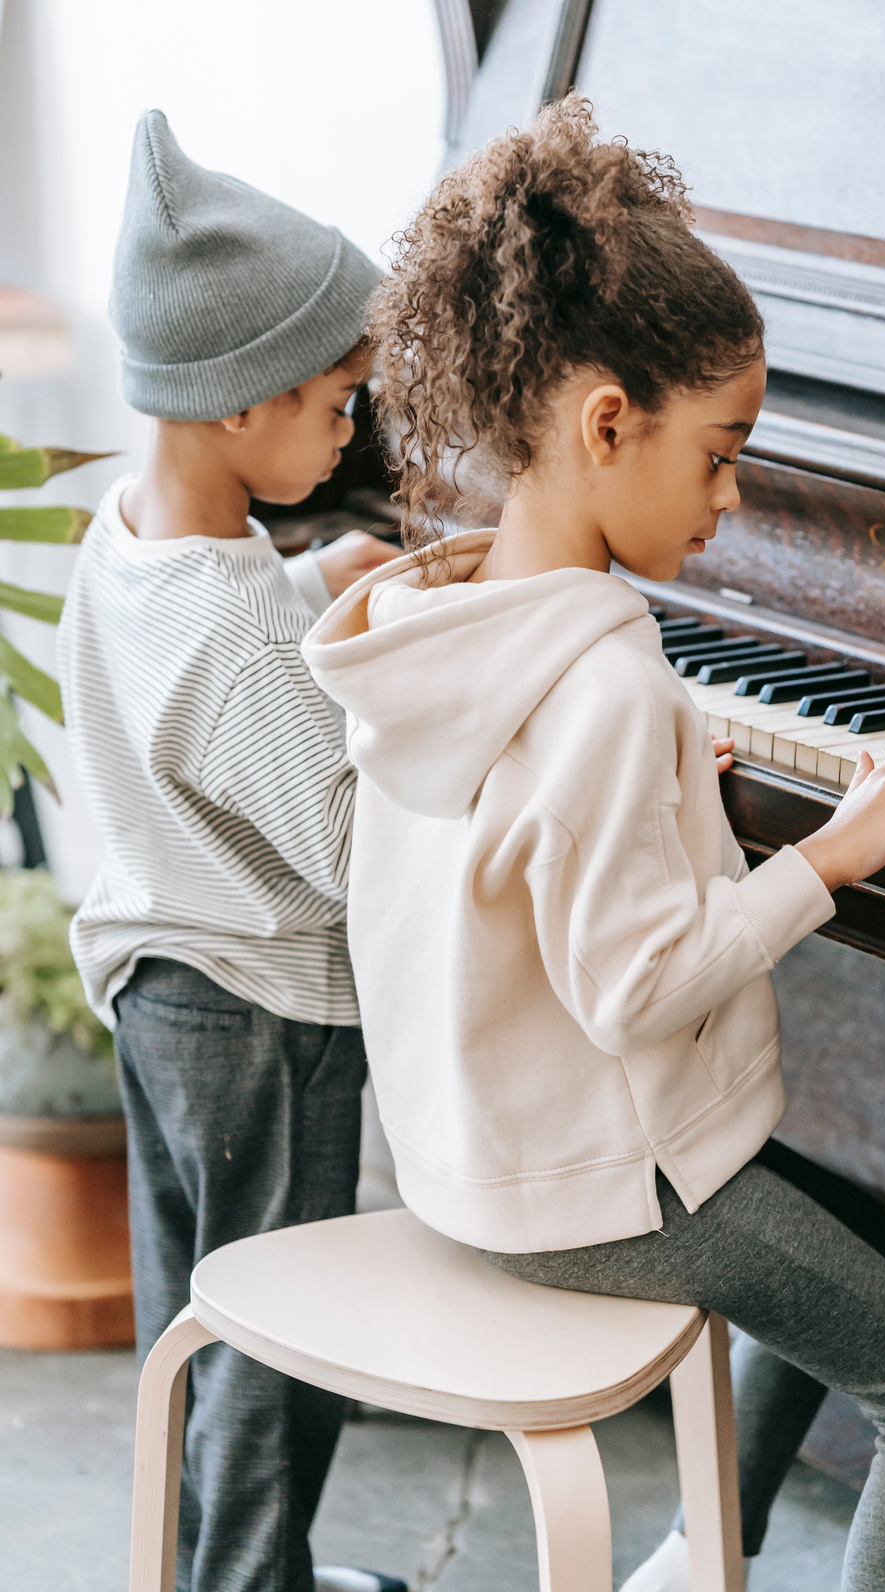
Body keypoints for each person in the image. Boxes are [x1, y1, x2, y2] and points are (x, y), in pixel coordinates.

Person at [303, 95, 885, 1592]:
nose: (735, 496)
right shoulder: (611, 680)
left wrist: (669, 793)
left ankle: (708, 1556)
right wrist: (824, 857)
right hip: (594, 1190)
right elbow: (631, 991)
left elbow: (534, 833)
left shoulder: (443, 616)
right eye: (721, 453)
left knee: (861, 1239)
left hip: (470, 1150)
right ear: (604, 424)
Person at [60, 112, 406, 1592]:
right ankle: (250, 1583)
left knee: (192, 1323)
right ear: (236, 407)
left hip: (154, 987)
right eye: (338, 405)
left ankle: (197, 1568)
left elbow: (207, 651)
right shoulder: (231, 620)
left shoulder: (132, 531)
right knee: (282, 1344)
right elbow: (343, 842)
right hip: (265, 1014)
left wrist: (315, 574)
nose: (350, 432)